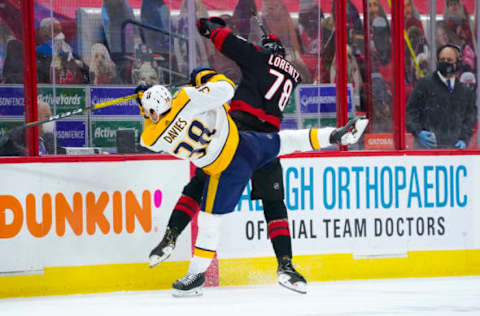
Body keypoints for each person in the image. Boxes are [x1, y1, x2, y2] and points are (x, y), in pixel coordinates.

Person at [137, 70, 368, 296]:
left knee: (209, 223)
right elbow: (226, 87)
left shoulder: (151, 137)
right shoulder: (188, 97)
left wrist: (143, 103)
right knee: (287, 141)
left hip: (225, 170)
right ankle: (335, 136)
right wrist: (203, 76)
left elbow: (152, 125)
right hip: (245, 145)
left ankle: (196, 275)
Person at [148, 16, 306, 295]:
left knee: (199, 187)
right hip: (268, 143)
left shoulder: (260, 58)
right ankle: (286, 264)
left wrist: (209, 26)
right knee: (274, 205)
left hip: (238, 139)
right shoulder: (292, 74)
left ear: (267, 50)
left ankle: (173, 238)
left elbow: (227, 42)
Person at [406, 44, 477, 149]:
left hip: (454, 153)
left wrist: (464, 139)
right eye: (442, 59)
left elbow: (470, 118)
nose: (445, 62)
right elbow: (411, 112)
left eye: (449, 60)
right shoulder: (424, 85)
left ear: (457, 63)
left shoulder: (465, 91)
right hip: (426, 152)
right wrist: (418, 132)